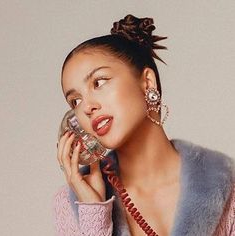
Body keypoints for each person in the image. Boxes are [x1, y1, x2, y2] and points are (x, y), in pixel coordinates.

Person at [53, 14, 235, 236]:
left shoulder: (226, 185)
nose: (86, 107)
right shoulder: (72, 205)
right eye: (75, 101)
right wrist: (94, 213)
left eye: (98, 82)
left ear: (147, 82)